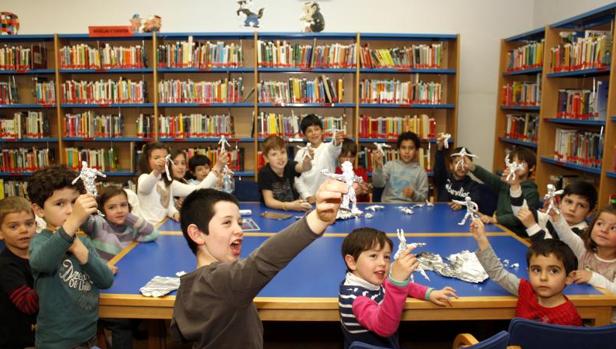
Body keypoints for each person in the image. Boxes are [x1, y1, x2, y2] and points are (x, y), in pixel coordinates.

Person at [170, 179, 347, 348]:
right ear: (197, 234)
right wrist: (318, 219)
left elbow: (178, 333)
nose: (239, 230)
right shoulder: (222, 281)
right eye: (227, 222)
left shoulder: (188, 285)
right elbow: (264, 260)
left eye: (239, 222)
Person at [27, 165, 115, 348]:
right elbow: (41, 262)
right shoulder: (41, 241)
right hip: (55, 343)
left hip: (89, 338)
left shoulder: (84, 242)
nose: (69, 210)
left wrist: (77, 247)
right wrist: (73, 222)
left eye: (74, 203)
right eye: (60, 204)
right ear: (39, 210)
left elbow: (105, 280)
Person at [339, 228, 457, 348]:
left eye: (386, 257)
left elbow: (404, 286)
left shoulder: (367, 279)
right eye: (373, 255)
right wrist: (396, 284)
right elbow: (384, 328)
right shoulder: (357, 298)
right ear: (352, 262)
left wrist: (428, 293)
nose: (383, 263)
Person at [471, 219, 581, 326]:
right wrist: (481, 239)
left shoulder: (569, 317)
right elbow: (498, 273)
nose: (543, 277)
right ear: (528, 272)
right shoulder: (525, 290)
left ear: (569, 277)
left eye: (553, 271)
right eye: (536, 270)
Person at [549, 205, 616, 321]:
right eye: (600, 224)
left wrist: (592, 277)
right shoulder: (584, 251)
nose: (604, 230)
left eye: (613, 228)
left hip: (607, 321)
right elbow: (568, 236)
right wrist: (557, 217)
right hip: (579, 312)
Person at [137, 142, 226, 224]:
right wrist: (157, 171)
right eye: (156, 158)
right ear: (146, 161)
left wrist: (217, 166)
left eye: (165, 157)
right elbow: (145, 187)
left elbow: (197, 189)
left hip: (162, 226)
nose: (162, 161)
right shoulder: (144, 178)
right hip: (147, 230)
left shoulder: (168, 183)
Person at [466, 148, 540, 236]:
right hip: (498, 228)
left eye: (521, 162)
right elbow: (488, 177)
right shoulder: (506, 184)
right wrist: (471, 166)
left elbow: (520, 217)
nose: (516, 166)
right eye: (513, 162)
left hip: (516, 235)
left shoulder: (532, 193)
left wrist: (496, 219)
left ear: (532, 168)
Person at [0, 196, 38, 349]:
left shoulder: (39, 253)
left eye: (29, 224)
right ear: (1, 232)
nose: (23, 230)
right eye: (14, 226)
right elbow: (27, 304)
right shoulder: (5, 266)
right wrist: (56, 283)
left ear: (36, 225)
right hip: (18, 340)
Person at [513, 180, 597, 242]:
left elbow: (551, 252)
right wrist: (514, 186)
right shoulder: (550, 218)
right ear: (559, 202)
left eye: (581, 205)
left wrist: (532, 226)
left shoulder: (584, 234)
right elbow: (521, 212)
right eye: (569, 202)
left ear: (590, 212)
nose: (572, 209)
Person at [293, 114, 343, 203]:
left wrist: (337, 142)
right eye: (309, 131)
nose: (314, 133)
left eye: (316, 129)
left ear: (322, 131)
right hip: (306, 201)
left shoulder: (328, 148)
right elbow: (297, 178)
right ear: (304, 135)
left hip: (327, 199)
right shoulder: (300, 153)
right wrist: (307, 196)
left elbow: (334, 147)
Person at [258, 135, 313, 211]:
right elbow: (269, 201)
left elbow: (305, 168)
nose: (280, 157)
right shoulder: (264, 173)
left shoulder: (289, 165)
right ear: (266, 158)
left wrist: (307, 160)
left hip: (292, 211)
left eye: (283, 152)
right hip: (272, 213)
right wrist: (290, 206)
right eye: (274, 154)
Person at [372, 131, 428, 203]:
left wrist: (413, 194)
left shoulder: (421, 172)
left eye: (411, 148)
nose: (407, 151)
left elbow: (423, 198)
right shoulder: (390, 166)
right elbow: (378, 184)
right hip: (389, 206)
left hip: (410, 208)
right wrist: (378, 167)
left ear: (416, 151)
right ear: (398, 150)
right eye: (403, 148)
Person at [433, 135, 484, 210]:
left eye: (464, 163)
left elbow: (475, 201)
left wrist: (462, 205)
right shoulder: (443, 179)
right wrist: (439, 149)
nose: (461, 166)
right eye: (457, 162)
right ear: (451, 165)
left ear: (469, 166)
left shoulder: (473, 186)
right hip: (442, 216)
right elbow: (439, 168)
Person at [336, 138, 370, 202]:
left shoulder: (361, 172)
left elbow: (366, 200)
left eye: (351, 157)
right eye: (344, 156)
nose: (348, 160)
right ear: (338, 156)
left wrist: (363, 192)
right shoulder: (334, 173)